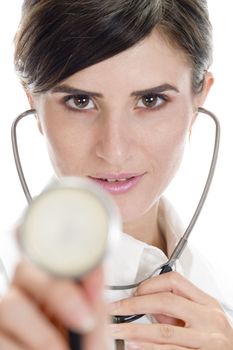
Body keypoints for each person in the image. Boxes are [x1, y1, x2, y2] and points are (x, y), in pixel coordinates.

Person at [0, 0, 233, 349]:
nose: (114, 150)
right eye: (80, 101)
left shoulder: (221, 302)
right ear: (33, 101)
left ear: (199, 97)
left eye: (151, 100)